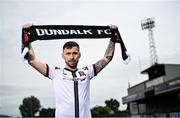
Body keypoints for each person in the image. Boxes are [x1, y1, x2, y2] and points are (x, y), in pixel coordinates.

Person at [22, 24, 119, 118]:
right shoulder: (55, 72)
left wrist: (113, 37)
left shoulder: (87, 71)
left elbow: (107, 58)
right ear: (62, 55)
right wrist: (27, 35)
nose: (72, 57)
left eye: (75, 53)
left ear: (79, 55)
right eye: (68, 53)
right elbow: (31, 60)